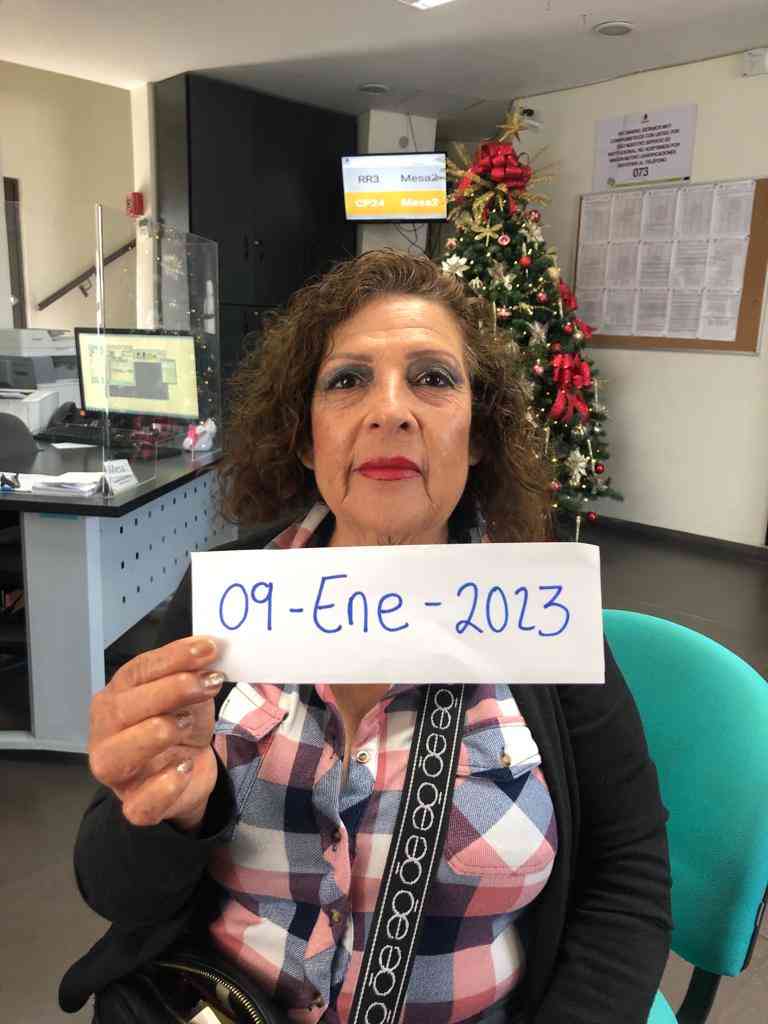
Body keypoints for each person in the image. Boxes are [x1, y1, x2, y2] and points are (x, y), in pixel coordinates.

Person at [60, 250, 672, 1024]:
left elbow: (627, 880)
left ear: (478, 436)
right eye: (347, 380)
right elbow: (113, 890)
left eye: (433, 378)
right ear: (306, 438)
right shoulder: (223, 606)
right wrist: (173, 815)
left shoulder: (543, 621)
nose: (390, 411)